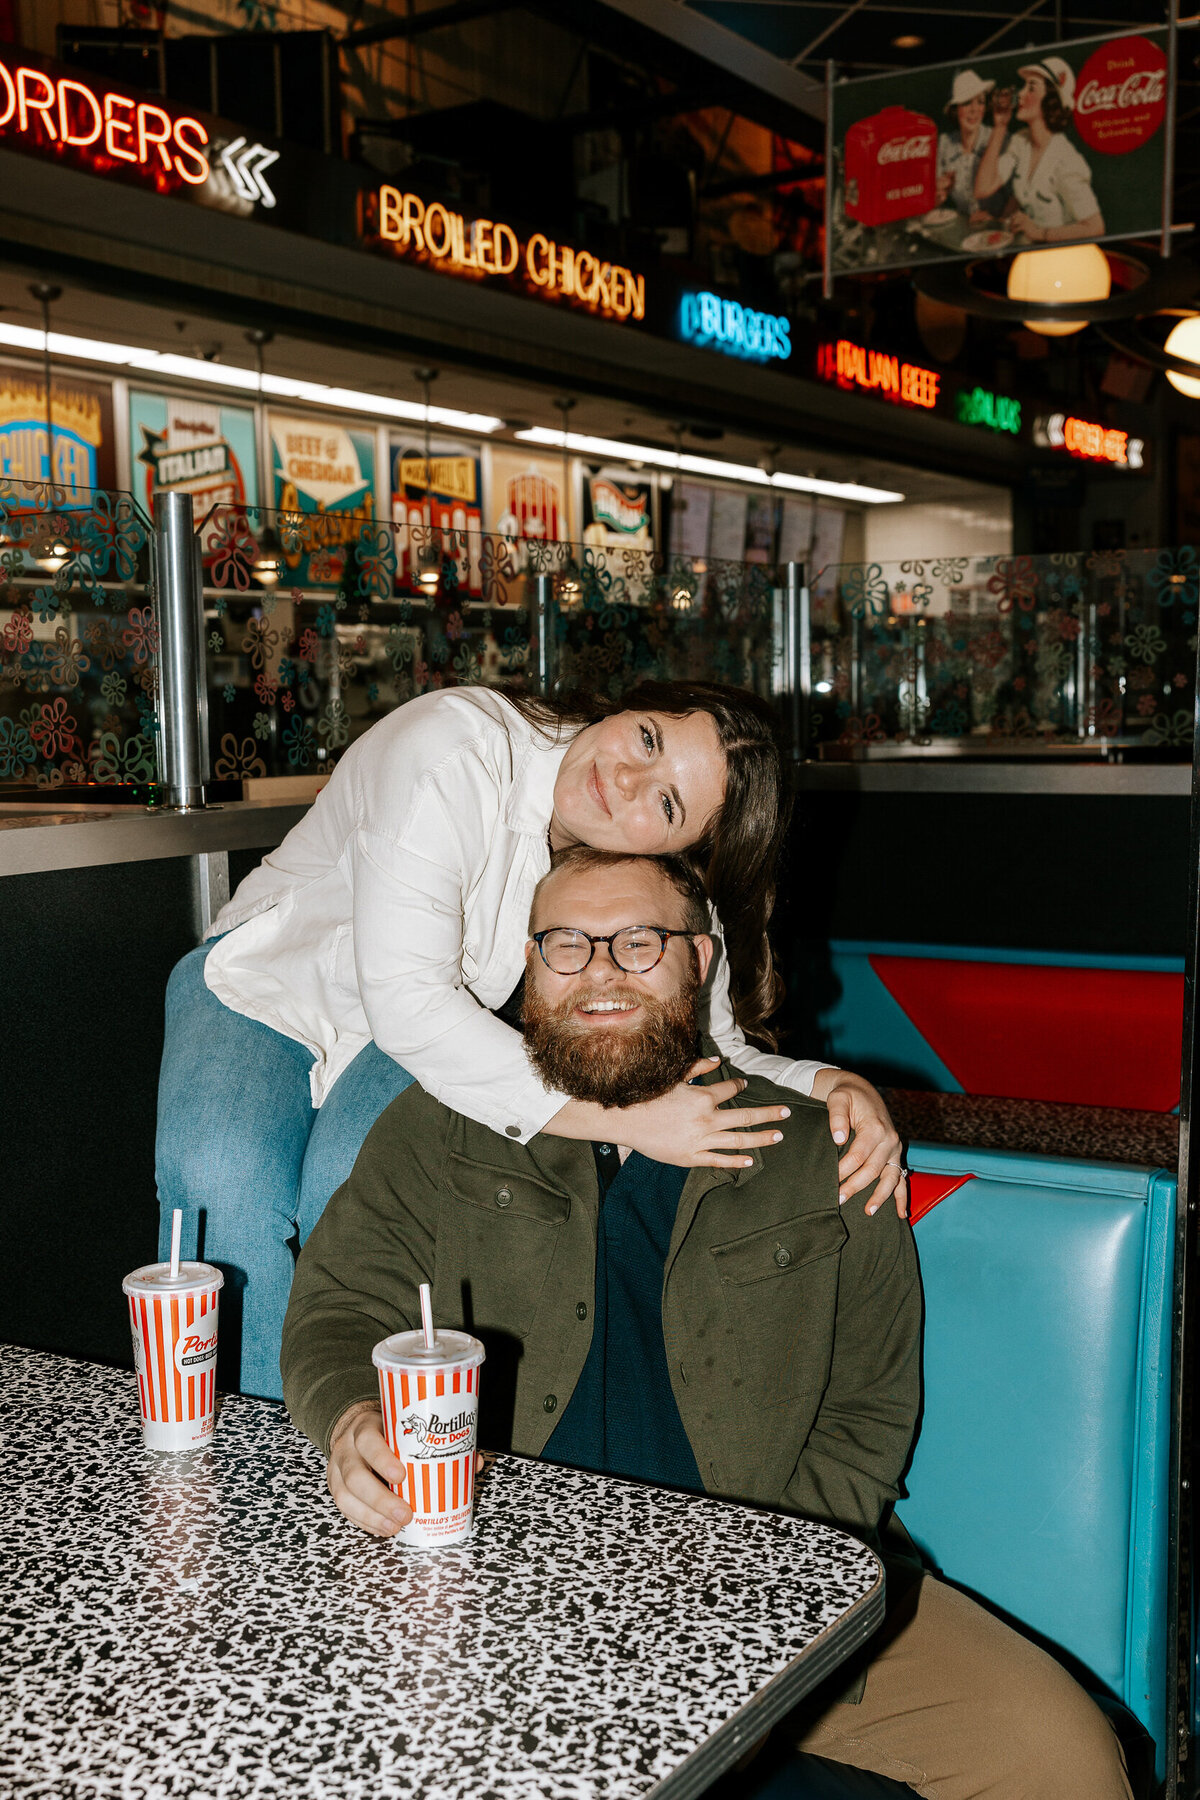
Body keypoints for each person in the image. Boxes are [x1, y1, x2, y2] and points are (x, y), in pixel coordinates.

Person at [281, 847, 1132, 1799]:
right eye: (564, 944)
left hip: (776, 1582)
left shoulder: (826, 1151)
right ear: (528, 969)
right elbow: (338, 1305)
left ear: (701, 961)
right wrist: (353, 1415)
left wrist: (757, 1586)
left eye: (638, 942)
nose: (598, 970)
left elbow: (869, 1417)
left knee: (1060, 1756)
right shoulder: (441, 1127)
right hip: (493, 1581)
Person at [157, 682, 905, 1400]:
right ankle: (246, 1478)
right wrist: (622, 1117)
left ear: (690, 851)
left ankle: (353, 1450)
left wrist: (833, 1086)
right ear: (629, 706)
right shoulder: (453, 749)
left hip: (417, 1032)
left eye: (667, 803)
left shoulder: (648, 877)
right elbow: (409, 1004)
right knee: (218, 1174)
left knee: (353, 1185)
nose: (624, 779)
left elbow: (717, 1050)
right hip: (272, 980)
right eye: (647, 738)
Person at [974, 56, 1104, 244]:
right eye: (1024, 86)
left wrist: (1039, 233)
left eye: (1031, 87)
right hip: (1028, 255)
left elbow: (1095, 227)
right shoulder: (1021, 140)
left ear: (1050, 101)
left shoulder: (1066, 161)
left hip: (1063, 260)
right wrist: (1000, 127)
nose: (1020, 94)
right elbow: (984, 189)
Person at [936, 69, 994, 217]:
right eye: (967, 102)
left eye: (980, 102)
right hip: (966, 227)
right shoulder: (945, 143)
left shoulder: (996, 139)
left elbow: (1014, 195)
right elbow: (935, 194)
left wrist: (993, 215)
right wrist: (939, 191)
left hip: (999, 224)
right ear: (955, 110)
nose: (974, 109)